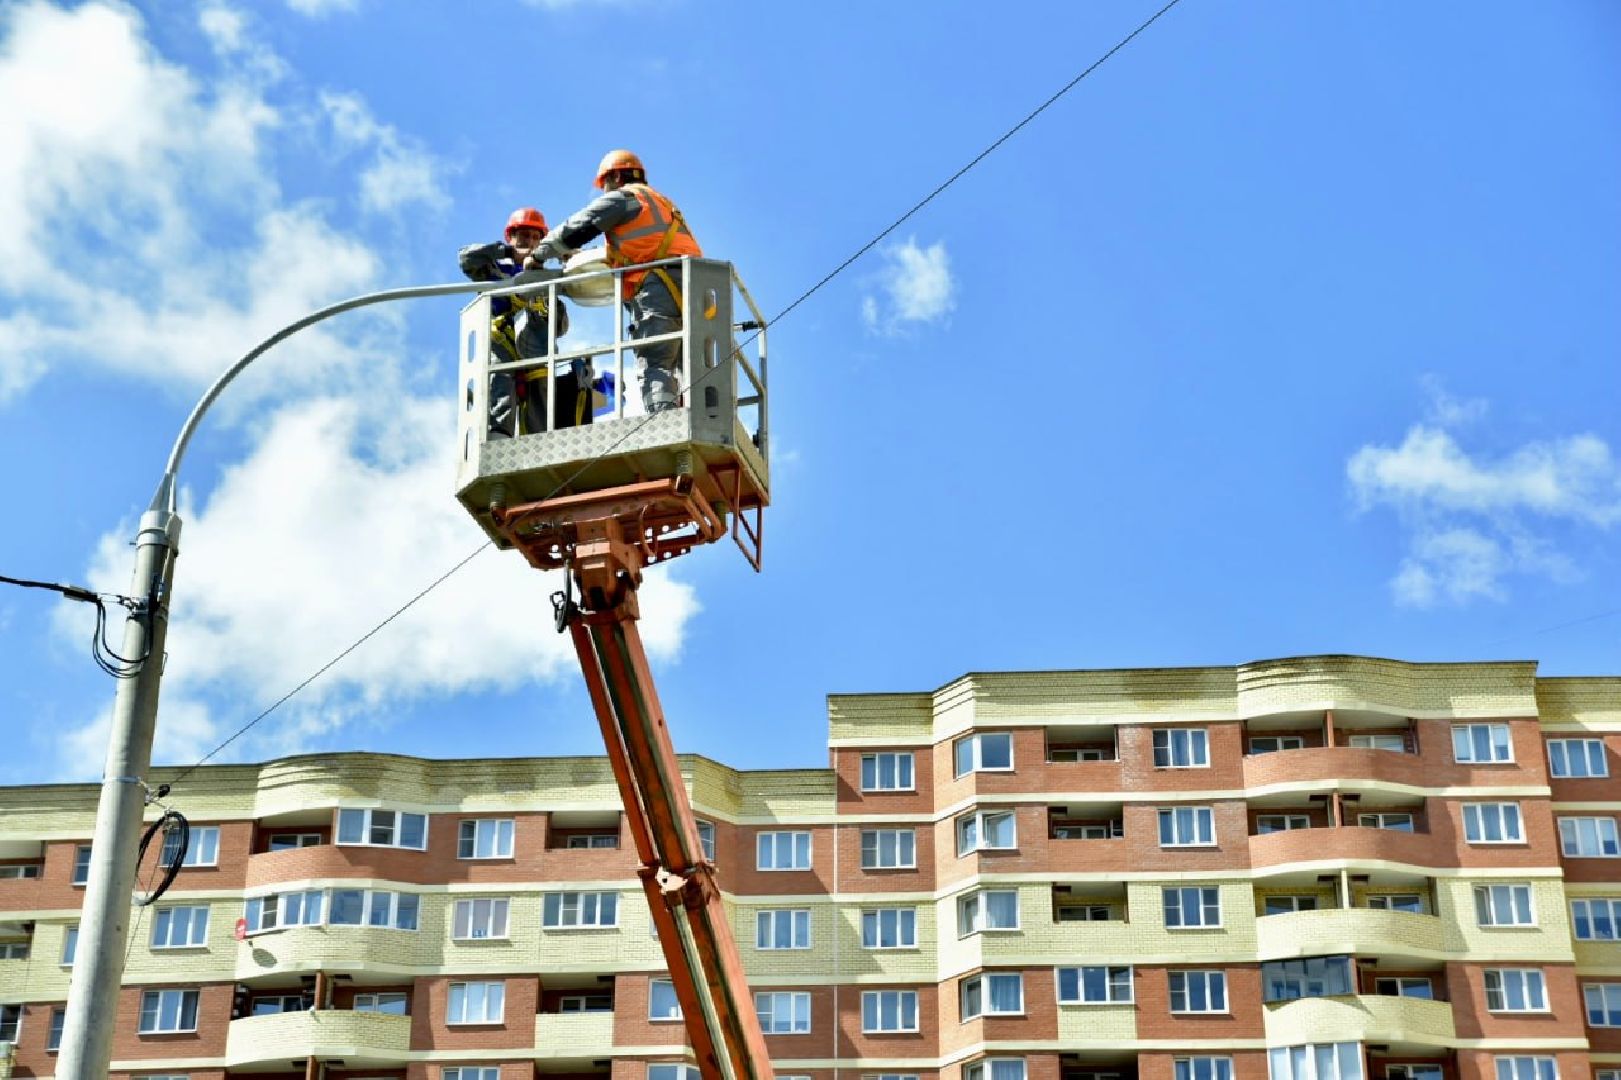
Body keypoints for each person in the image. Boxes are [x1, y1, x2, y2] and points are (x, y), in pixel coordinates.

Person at [526, 150, 701, 414]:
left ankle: (663, 420)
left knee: (655, 362)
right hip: (696, 285)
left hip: (658, 285)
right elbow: (640, 245)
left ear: (616, 176)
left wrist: (538, 255)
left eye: (604, 185)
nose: (604, 192)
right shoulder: (662, 203)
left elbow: (581, 225)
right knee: (690, 363)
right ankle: (704, 416)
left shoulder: (625, 198)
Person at [458, 207, 588, 435]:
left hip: (535, 350)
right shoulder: (494, 269)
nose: (529, 242)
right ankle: (498, 439)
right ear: (511, 236)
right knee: (501, 395)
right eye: (524, 235)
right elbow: (466, 258)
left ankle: (540, 444)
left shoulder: (544, 280)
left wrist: (570, 262)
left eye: (536, 237)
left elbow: (560, 327)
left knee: (540, 409)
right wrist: (508, 252)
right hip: (502, 343)